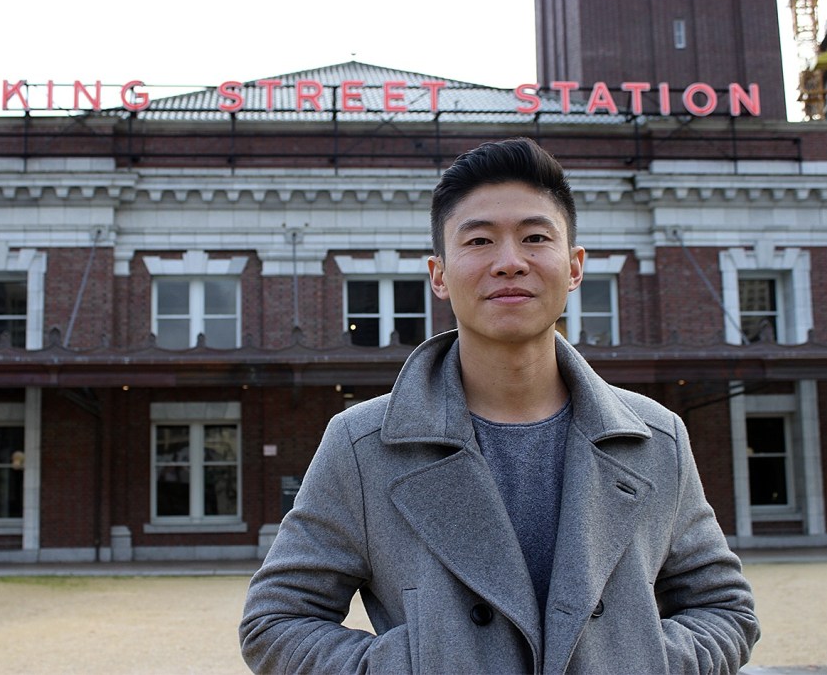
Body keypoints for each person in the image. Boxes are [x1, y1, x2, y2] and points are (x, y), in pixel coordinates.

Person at [240, 138, 760, 674]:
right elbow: (275, 623)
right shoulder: (363, 444)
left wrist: (642, 659)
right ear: (439, 275)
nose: (510, 263)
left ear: (575, 266)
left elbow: (724, 608)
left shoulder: (656, 438)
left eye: (535, 237)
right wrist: (423, 665)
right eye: (480, 240)